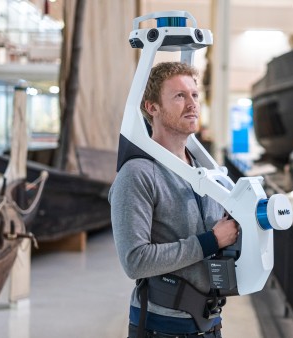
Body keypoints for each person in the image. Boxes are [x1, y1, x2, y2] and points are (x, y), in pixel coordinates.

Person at [109, 61, 240, 338]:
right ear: (152, 108)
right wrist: (211, 241)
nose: (192, 104)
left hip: (210, 323)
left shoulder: (205, 170)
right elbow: (135, 261)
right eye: (179, 96)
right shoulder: (138, 174)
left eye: (194, 95)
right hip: (162, 327)